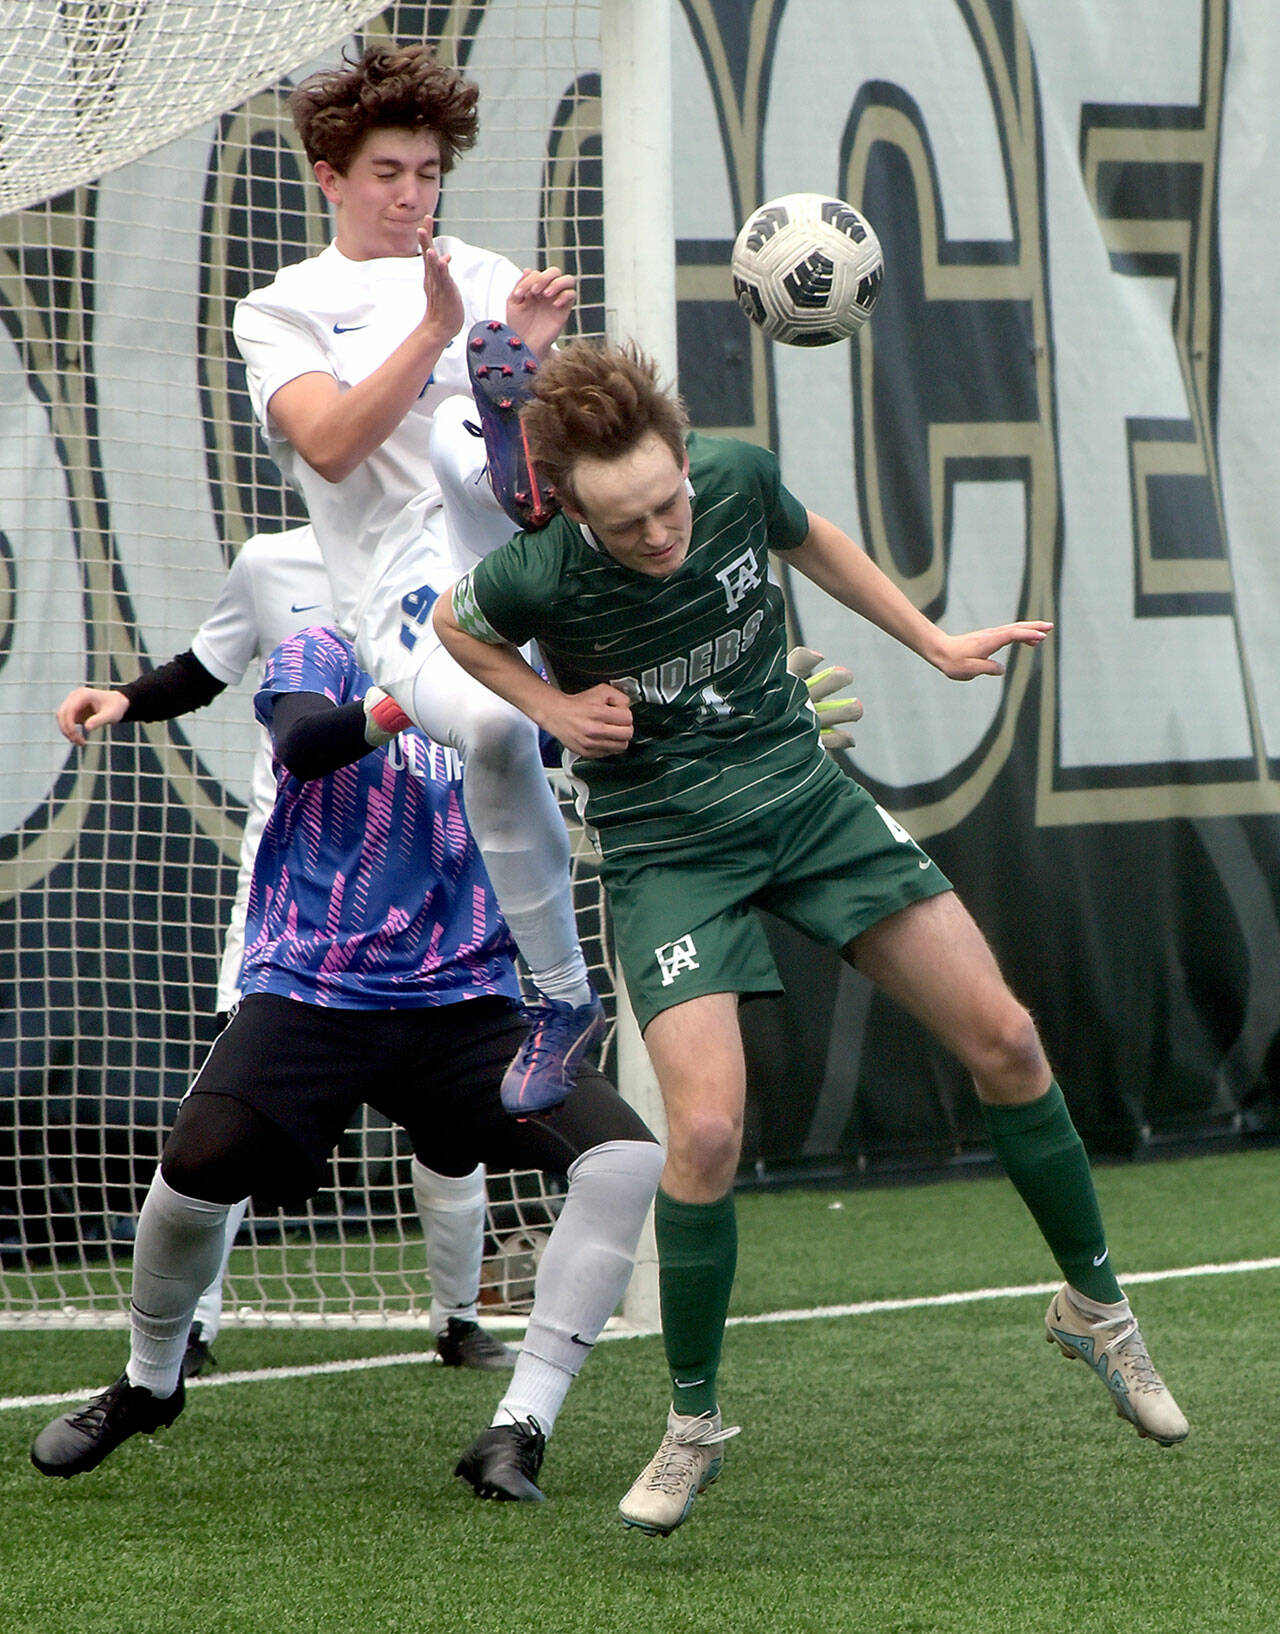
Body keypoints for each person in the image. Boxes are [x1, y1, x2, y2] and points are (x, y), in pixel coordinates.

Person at [432, 335, 1190, 1536]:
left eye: (669, 501)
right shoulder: (536, 573)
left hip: (806, 801)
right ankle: (690, 1426)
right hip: (670, 849)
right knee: (711, 1128)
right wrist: (548, 703)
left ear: (686, 461)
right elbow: (453, 625)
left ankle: (1096, 1314)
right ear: (571, 506)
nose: (660, 533)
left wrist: (932, 640)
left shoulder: (732, 475)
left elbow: (809, 537)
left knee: (1004, 1040)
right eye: (625, 521)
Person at [34, 619, 664, 1499]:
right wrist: (428, 693)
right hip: (315, 992)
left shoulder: (532, 652)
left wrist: (750, 736)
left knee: (625, 1157)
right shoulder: (330, 645)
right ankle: (148, 1382)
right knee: (197, 1161)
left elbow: (628, 741)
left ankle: (518, 1428)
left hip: (466, 1003)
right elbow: (300, 743)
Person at [232, 41, 602, 1115]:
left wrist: (524, 355)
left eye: (428, 174)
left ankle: (501, 433)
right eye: (388, 172)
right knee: (491, 732)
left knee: (473, 430)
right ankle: (566, 995)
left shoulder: (486, 273)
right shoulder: (283, 308)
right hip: (400, 587)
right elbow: (333, 446)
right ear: (331, 177)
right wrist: (440, 334)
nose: (410, 194)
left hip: (514, 545)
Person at [55, 526, 515, 1377]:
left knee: (453, 1126)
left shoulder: (462, 548)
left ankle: (459, 1319)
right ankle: (189, 1330)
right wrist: (123, 697)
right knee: (230, 1121)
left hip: (437, 886)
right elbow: (205, 667)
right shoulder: (272, 564)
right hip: (294, 905)